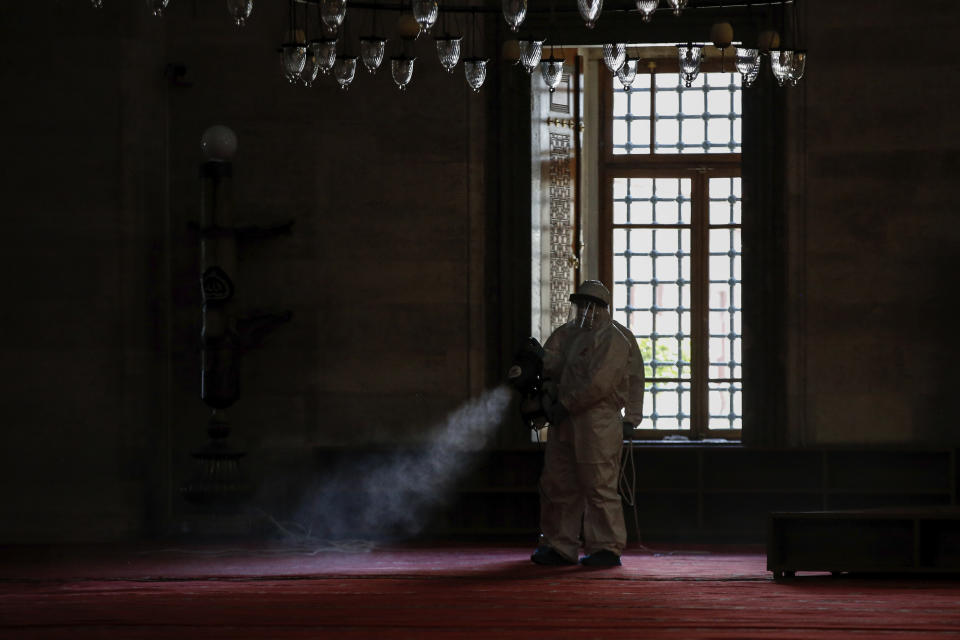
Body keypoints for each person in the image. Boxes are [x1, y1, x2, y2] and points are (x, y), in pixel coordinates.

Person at [530, 280, 634, 567]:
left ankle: (606, 548)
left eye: (592, 305)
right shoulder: (567, 334)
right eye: (581, 304)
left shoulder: (614, 340)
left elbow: (599, 384)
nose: (586, 311)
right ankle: (558, 545)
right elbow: (551, 366)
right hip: (564, 420)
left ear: (603, 308)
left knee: (598, 485)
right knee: (558, 483)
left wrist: (564, 405)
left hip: (596, 421)